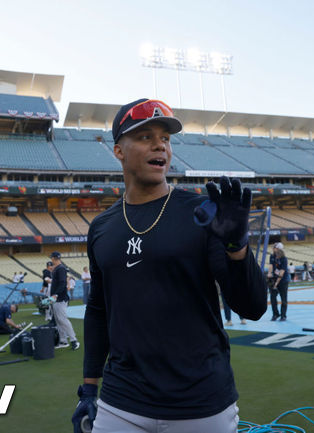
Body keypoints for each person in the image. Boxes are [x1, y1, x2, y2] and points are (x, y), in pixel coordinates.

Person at [72, 99, 266, 433]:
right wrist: (90, 386)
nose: (160, 144)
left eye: (165, 138)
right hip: (121, 402)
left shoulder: (202, 213)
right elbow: (99, 309)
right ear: (119, 150)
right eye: (145, 136)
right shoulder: (102, 227)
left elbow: (252, 306)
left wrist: (237, 248)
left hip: (201, 403)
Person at [49, 251, 80, 350]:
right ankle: (63, 341)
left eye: (52, 258)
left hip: (60, 299)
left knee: (63, 320)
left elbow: (62, 283)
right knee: (58, 321)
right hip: (56, 299)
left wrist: (55, 295)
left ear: (53, 258)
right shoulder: (58, 268)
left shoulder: (60, 269)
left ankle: (74, 340)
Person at [270, 242, 289, 321]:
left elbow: (281, 272)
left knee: (283, 298)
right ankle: (275, 314)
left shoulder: (284, 259)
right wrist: (269, 274)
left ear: (278, 249)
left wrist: (276, 283)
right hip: (274, 279)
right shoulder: (272, 256)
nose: (273, 249)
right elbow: (271, 266)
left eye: (274, 247)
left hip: (283, 281)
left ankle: (283, 315)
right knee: (272, 298)